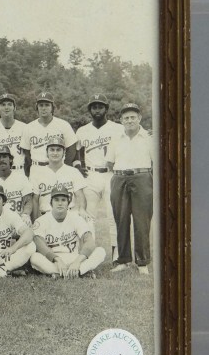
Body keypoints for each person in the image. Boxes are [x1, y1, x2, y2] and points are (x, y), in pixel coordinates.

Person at [106, 103, 154, 275]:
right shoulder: (115, 138)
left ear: (139, 118)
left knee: (142, 221)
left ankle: (142, 262)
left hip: (142, 177)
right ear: (121, 120)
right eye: (126, 118)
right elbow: (109, 162)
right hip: (119, 178)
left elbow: (157, 162)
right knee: (121, 219)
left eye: (133, 117)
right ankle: (123, 260)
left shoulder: (149, 138)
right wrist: (122, 175)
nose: (130, 120)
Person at [75, 94, 124, 258]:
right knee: (89, 217)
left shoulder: (118, 128)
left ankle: (117, 255)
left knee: (113, 215)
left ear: (106, 109)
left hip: (111, 175)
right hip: (91, 175)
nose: (97, 110)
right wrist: (78, 166)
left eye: (100, 106)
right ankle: (90, 253)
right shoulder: (82, 130)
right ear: (90, 110)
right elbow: (75, 152)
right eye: (94, 107)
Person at [30, 184, 106, 278]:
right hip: (53, 259)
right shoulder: (41, 220)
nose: (60, 203)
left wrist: (77, 262)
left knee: (100, 251)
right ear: (51, 203)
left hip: (73, 257)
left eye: (63, 200)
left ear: (68, 202)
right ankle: (80, 272)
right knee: (34, 258)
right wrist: (57, 260)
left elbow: (90, 242)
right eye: (56, 200)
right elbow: (39, 244)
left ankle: (61, 273)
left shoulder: (76, 218)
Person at [30, 138, 90, 222]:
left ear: (64, 153)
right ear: (47, 153)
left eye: (58, 150)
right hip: (46, 216)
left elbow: (80, 196)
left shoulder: (73, 171)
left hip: (69, 215)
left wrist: (82, 210)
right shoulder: (37, 174)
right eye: (52, 150)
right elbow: (35, 200)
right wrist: (35, 220)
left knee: (89, 224)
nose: (55, 153)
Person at [20, 92, 77, 176]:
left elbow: (71, 149)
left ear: (52, 107)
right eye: (41, 105)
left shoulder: (63, 125)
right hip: (37, 168)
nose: (44, 108)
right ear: (37, 107)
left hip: (58, 168)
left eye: (47, 105)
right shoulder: (28, 127)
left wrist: (65, 167)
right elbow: (27, 152)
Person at [0, 145, 33, 225]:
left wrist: (26, 214)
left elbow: (28, 201)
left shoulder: (21, 178)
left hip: (18, 220)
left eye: (4, 156)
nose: (2, 160)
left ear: (10, 159)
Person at [0, 93, 27, 175]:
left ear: (15, 108)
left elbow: (28, 155)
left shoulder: (24, 127)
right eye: (3, 105)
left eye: (9, 104)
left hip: (19, 171)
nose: (6, 107)